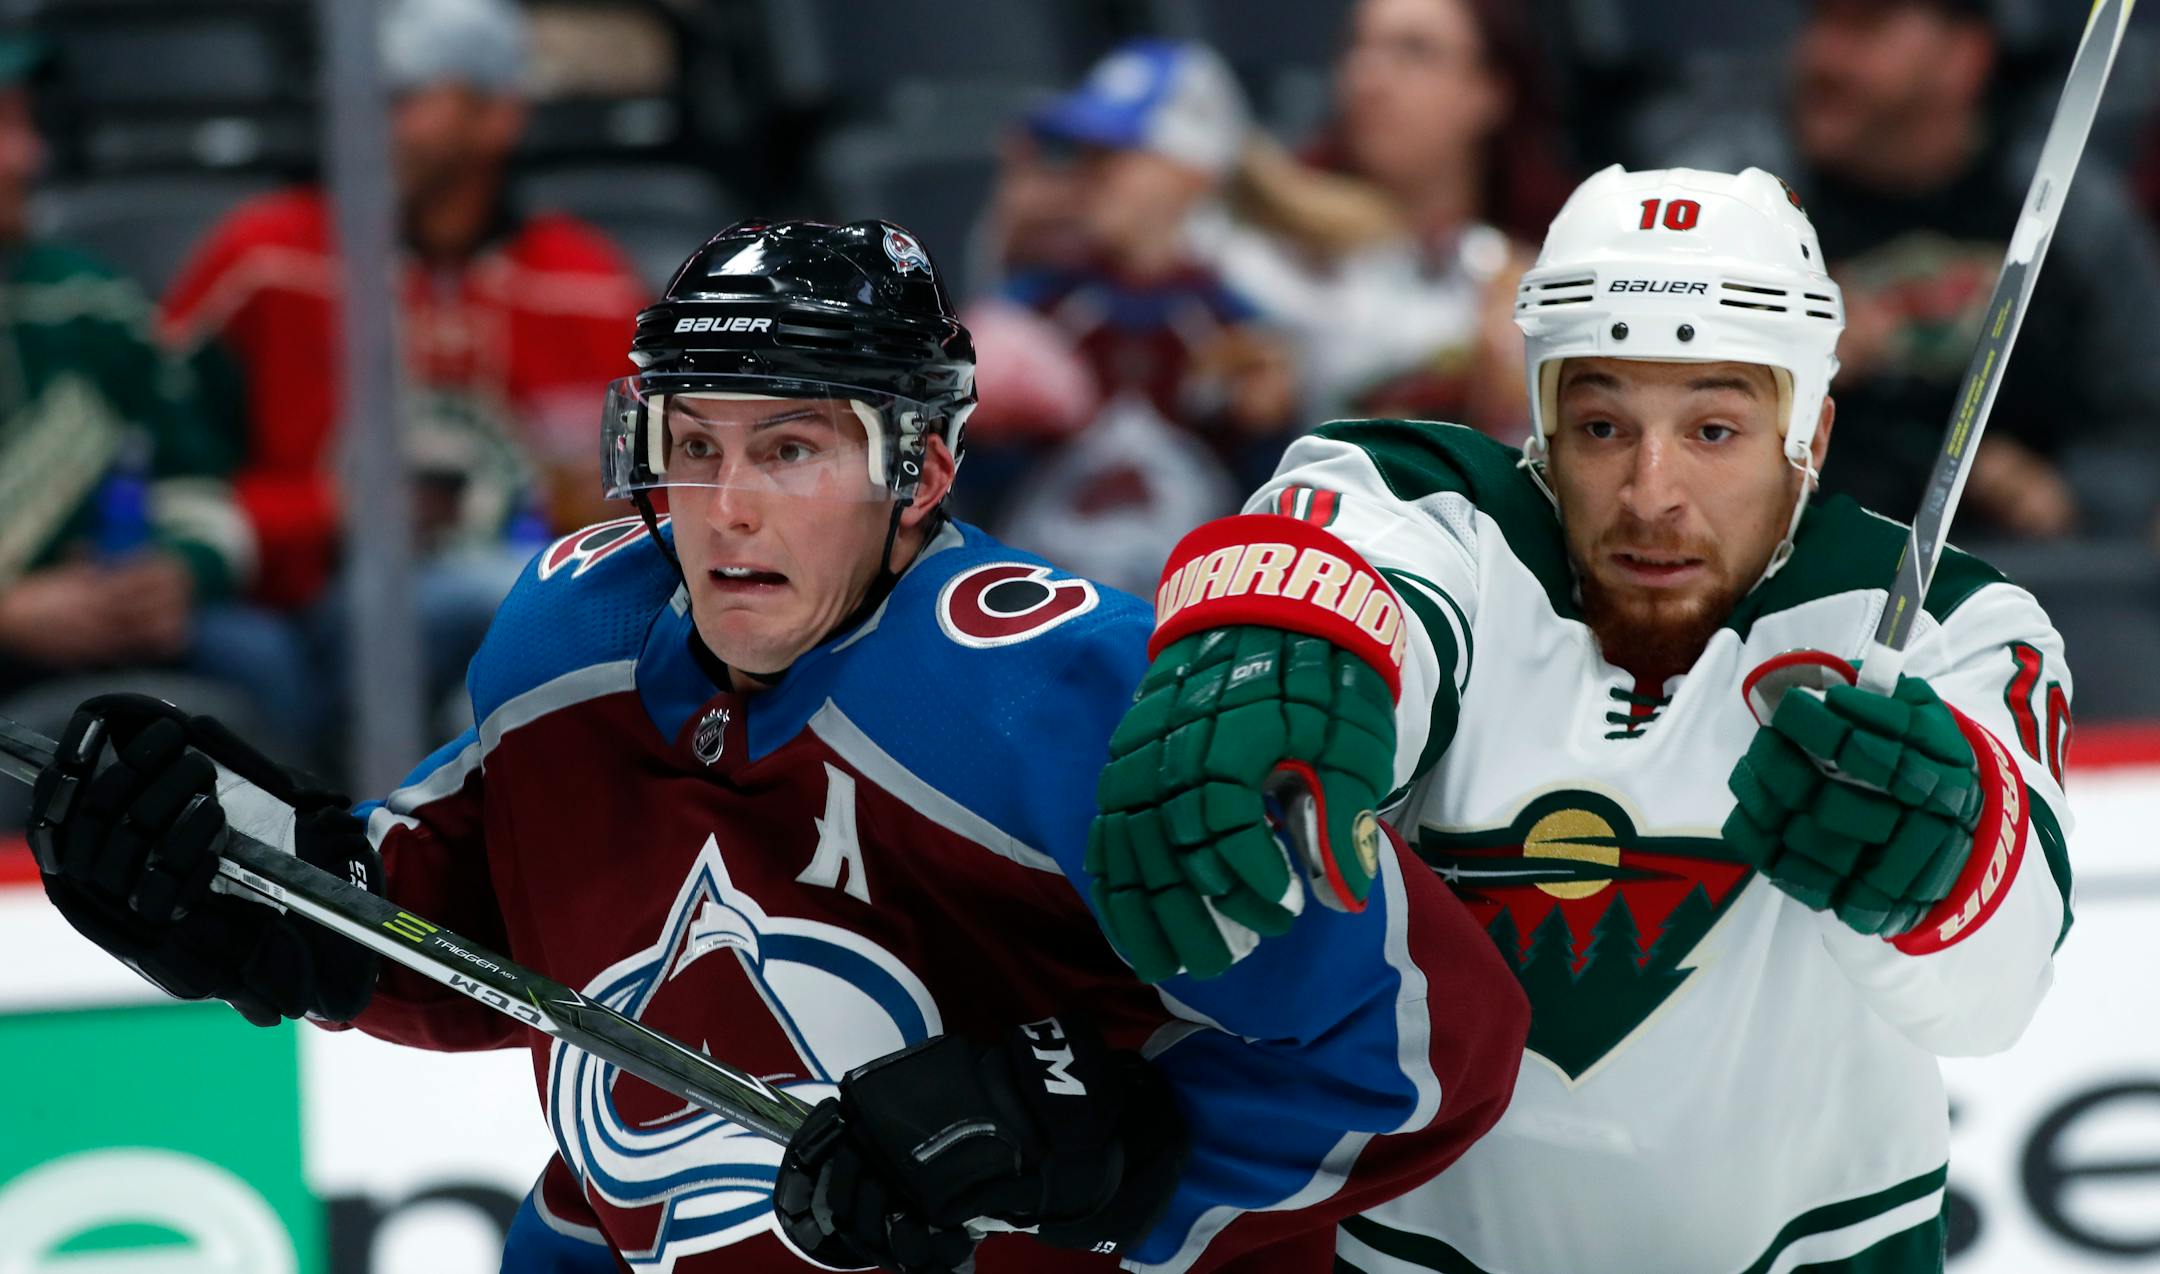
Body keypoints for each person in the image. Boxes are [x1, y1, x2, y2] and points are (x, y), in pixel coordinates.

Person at [24, 219, 1530, 1272]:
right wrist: (252, 879)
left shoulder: (1062, 693)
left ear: (921, 470)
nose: (726, 505)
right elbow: (454, 920)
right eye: (694, 445)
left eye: (790, 447)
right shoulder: (570, 637)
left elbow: (1429, 1037)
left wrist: (1117, 1141)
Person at [1090, 167, 2072, 1272]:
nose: (1651, 492)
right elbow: (1355, 560)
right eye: (1603, 425)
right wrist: (1291, 659)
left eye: (1713, 429)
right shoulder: (1440, 515)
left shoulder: (1947, 624)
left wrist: (1941, 856)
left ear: (1812, 434)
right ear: (1542, 422)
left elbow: (1994, 999)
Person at [156, 0, 648, 743]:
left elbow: (652, 495)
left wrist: (590, 500)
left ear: (498, 117)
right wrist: (329, 510)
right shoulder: (263, 258)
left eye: (403, 99)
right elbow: (154, 464)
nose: (366, 122)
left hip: (522, 588)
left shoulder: (590, 284)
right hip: (307, 603)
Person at [1662, 0, 2160, 539]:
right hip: (1787, 557)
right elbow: (1638, 403)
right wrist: (1774, 348)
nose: (1820, 57)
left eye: (1864, 27)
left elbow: (2141, 419)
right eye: (1818, 24)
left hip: (2024, 566)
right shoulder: (1726, 201)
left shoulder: (2071, 215)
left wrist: (2073, 493)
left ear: (1963, 57)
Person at [0, 25, 279, 813]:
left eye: (26, 125)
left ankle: (320, 873)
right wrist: (9, 614)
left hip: (109, 628)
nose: (28, 157)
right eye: (3, 127)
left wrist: (178, 572)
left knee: (263, 658)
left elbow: (200, 492)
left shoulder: (91, 303)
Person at [1198, 0, 1575, 437]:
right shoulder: (1257, 257)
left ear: (1491, 90)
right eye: (1356, 48)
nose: (1367, 76)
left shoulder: (1556, 272)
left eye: (1414, 50)